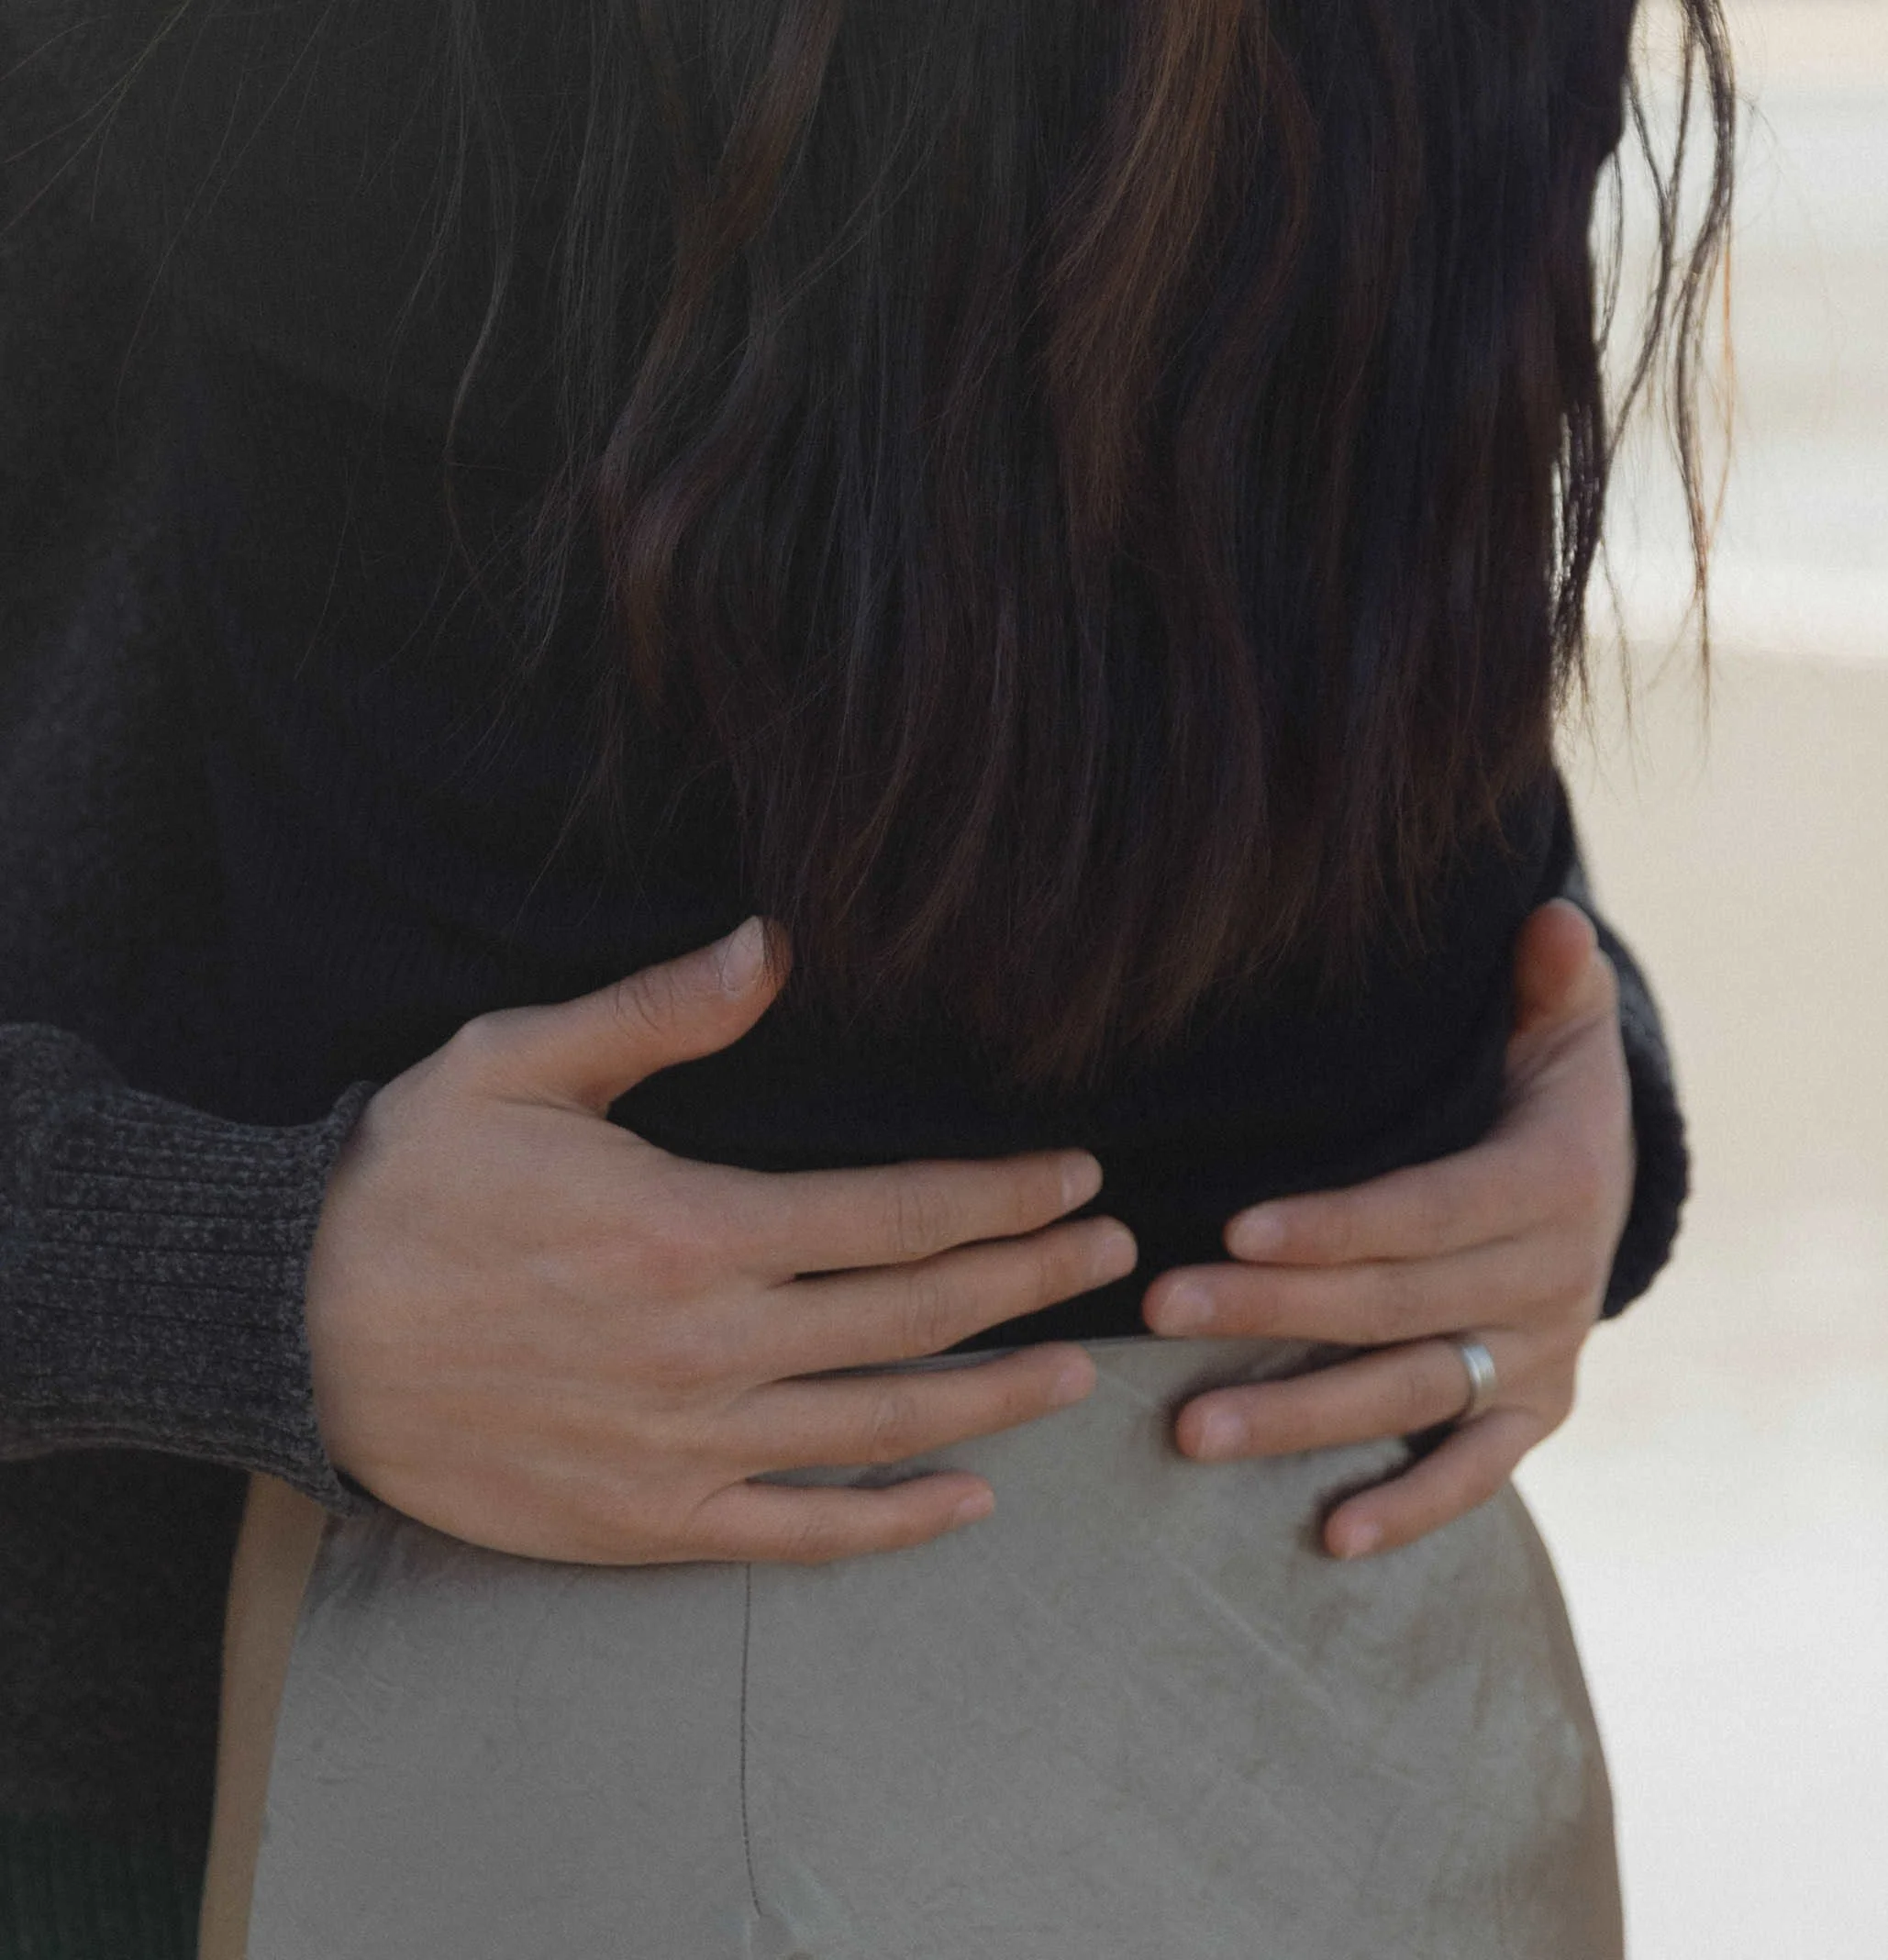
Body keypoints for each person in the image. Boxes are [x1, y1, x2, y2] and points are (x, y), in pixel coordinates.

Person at [0, 0, 1725, 1954]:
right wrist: (205, 1275)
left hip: (1307, 1667)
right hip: (226, 1683)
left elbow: (1205, 581)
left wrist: (1555, 1046)